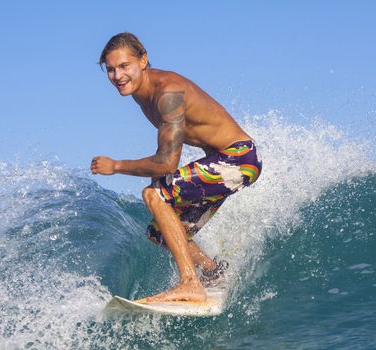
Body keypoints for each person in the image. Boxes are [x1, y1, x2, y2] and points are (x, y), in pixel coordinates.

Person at [91, 32, 262, 303]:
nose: (117, 75)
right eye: (111, 70)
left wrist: (116, 166)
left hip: (240, 159)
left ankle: (190, 283)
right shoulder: (141, 94)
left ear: (143, 60)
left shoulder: (167, 93)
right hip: (226, 161)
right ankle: (212, 272)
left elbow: (167, 162)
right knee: (159, 233)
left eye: (124, 66)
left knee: (153, 194)